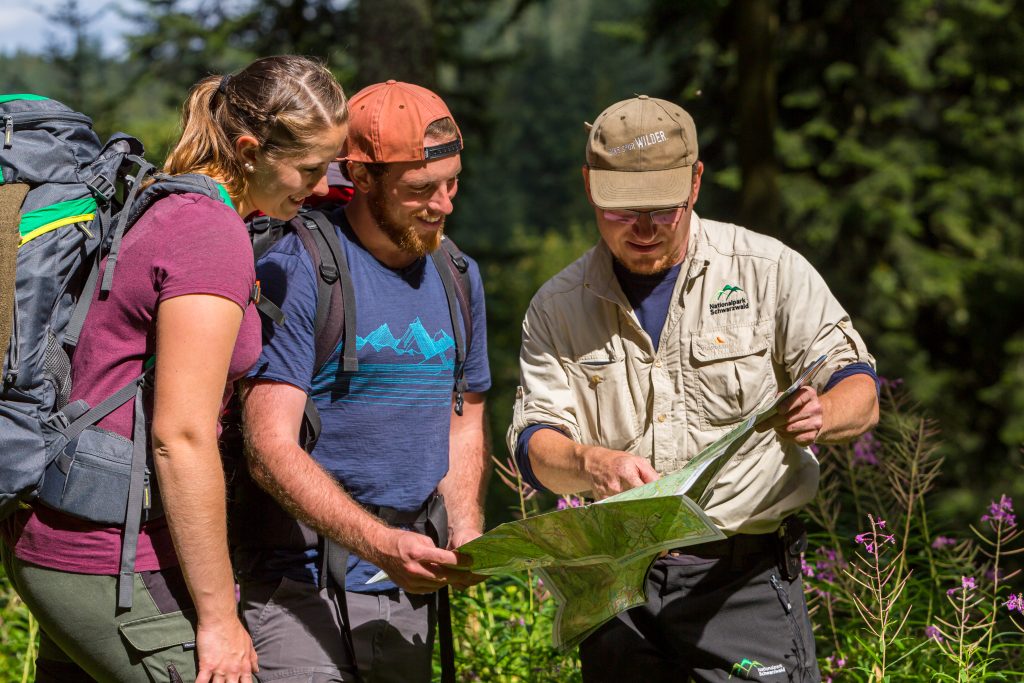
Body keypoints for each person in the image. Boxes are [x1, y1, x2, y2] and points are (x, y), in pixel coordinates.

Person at [508, 95, 880, 682]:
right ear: (589, 187)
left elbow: (857, 385)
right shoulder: (557, 307)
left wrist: (826, 411)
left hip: (741, 581)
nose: (646, 229)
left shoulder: (767, 270)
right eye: (623, 211)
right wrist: (590, 462)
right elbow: (536, 444)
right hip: (616, 590)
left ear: (696, 181)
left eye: (664, 208)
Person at [1, 55, 348, 683]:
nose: (321, 186)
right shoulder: (209, 235)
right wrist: (219, 619)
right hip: (104, 558)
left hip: (67, 531)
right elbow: (181, 437)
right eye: (308, 167)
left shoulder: (166, 201)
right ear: (249, 149)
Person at [237, 80, 490, 683]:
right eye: (421, 189)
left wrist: (467, 527)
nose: (443, 205)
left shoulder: (458, 275)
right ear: (365, 176)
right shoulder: (296, 267)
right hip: (297, 583)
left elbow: (465, 417)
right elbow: (268, 448)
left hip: (404, 584)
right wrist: (380, 544)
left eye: (452, 183)